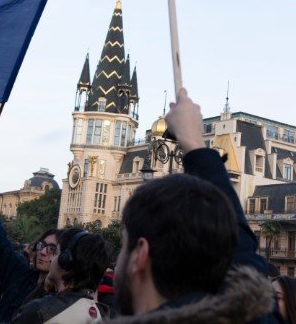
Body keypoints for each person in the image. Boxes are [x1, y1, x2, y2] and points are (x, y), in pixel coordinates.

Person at [110, 89, 277, 323]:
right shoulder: (255, 314)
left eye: (122, 247)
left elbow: (239, 249)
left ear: (140, 255)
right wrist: (194, 143)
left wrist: (194, 145)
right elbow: (240, 252)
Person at [0, 164, 61, 323]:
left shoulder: (62, 302)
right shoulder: (20, 275)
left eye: (52, 249)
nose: (42, 252)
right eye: (42, 245)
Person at [12, 228, 111, 323]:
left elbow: (17, 318)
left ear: (65, 261)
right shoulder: (101, 313)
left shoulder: (39, 311)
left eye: (55, 252)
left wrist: (42, 290)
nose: (51, 260)